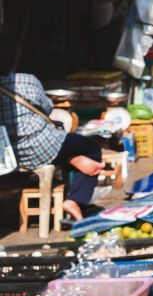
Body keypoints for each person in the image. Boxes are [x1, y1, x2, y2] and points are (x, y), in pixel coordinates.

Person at [0, 25, 104, 222]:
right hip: (41, 146)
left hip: (7, 155)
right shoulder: (27, 81)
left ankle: (74, 159)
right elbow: (47, 109)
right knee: (91, 146)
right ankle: (76, 201)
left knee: (70, 149)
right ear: (14, 58)